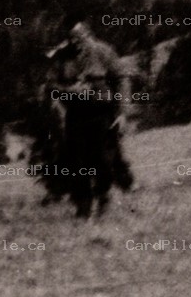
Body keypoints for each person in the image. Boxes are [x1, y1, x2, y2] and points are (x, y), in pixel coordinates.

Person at [43, 18, 136, 216]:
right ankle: (83, 207)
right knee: (76, 163)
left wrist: (122, 113)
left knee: (103, 159)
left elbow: (121, 79)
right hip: (75, 117)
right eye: (71, 38)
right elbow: (50, 86)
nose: (75, 41)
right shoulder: (62, 58)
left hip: (102, 115)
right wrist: (68, 90)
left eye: (79, 36)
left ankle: (103, 196)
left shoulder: (103, 51)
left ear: (88, 34)